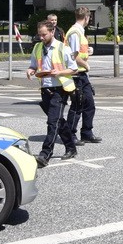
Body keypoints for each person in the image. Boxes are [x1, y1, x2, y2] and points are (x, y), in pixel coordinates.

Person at [26, 20, 78, 167]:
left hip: (60, 89)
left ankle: (45, 154)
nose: (41, 37)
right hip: (45, 88)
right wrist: (30, 70)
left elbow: (74, 69)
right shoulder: (37, 47)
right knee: (58, 121)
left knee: (52, 122)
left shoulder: (63, 48)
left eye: (44, 34)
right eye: (39, 34)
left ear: (52, 32)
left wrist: (60, 72)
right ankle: (71, 147)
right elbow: (34, 65)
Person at [65, 6, 102, 145]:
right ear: (86, 18)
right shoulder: (75, 32)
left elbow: (80, 51)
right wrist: (86, 64)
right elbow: (73, 55)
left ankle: (87, 132)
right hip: (76, 74)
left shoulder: (79, 31)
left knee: (89, 104)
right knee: (77, 105)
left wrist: (88, 51)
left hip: (82, 75)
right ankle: (70, 134)